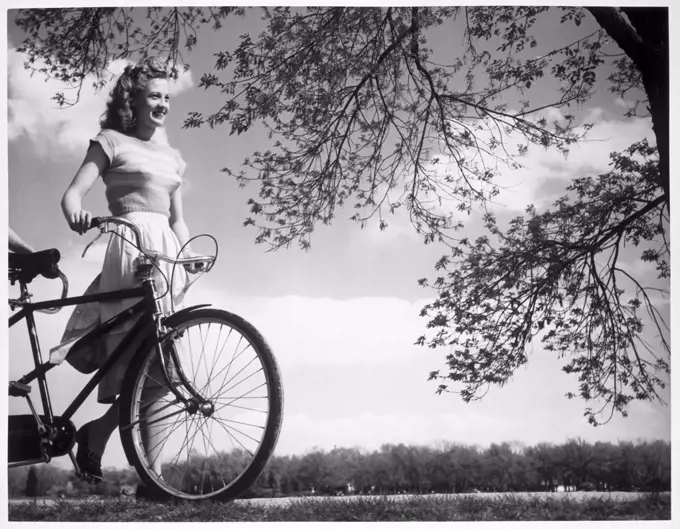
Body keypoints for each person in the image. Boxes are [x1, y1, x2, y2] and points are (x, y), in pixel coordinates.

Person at [55, 57, 195, 481]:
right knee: (137, 358)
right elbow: (71, 196)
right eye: (155, 95)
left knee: (162, 368)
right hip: (129, 249)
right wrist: (78, 215)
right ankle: (140, 468)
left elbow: (176, 219)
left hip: (167, 256)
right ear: (133, 98)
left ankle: (137, 466)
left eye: (168, 97)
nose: (163, 104)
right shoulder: (111, 141)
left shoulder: (173, 157)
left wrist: (186, 259)